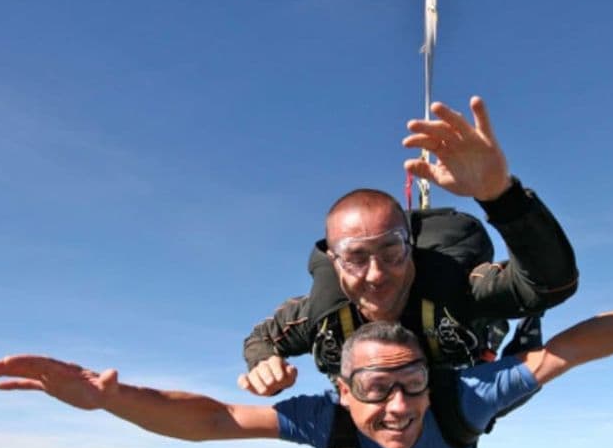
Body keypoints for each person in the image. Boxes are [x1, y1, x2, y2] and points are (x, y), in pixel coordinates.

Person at [0, 226, 613, 448]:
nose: (400, 406)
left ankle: (452, 264)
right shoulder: (327, 418)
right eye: (377, 389)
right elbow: (208, 419)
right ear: (343, 390)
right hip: (402, 389)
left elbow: (581, 344)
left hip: (467, 370)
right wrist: (113, 398)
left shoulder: (462, 395)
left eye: (410, 385)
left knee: (534, 327)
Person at [240, 95, 578, 396]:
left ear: (410, 248)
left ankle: (518, 334)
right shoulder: (320, 315)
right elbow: (261, 339)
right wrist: (264, 363)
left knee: (501, 389)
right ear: (334, 261)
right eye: (356, 257)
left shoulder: (459, 289)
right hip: (378, 407)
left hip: (458, 387)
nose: (376, 275)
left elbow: (551, 284)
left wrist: (501, 196)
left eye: (391, 252)